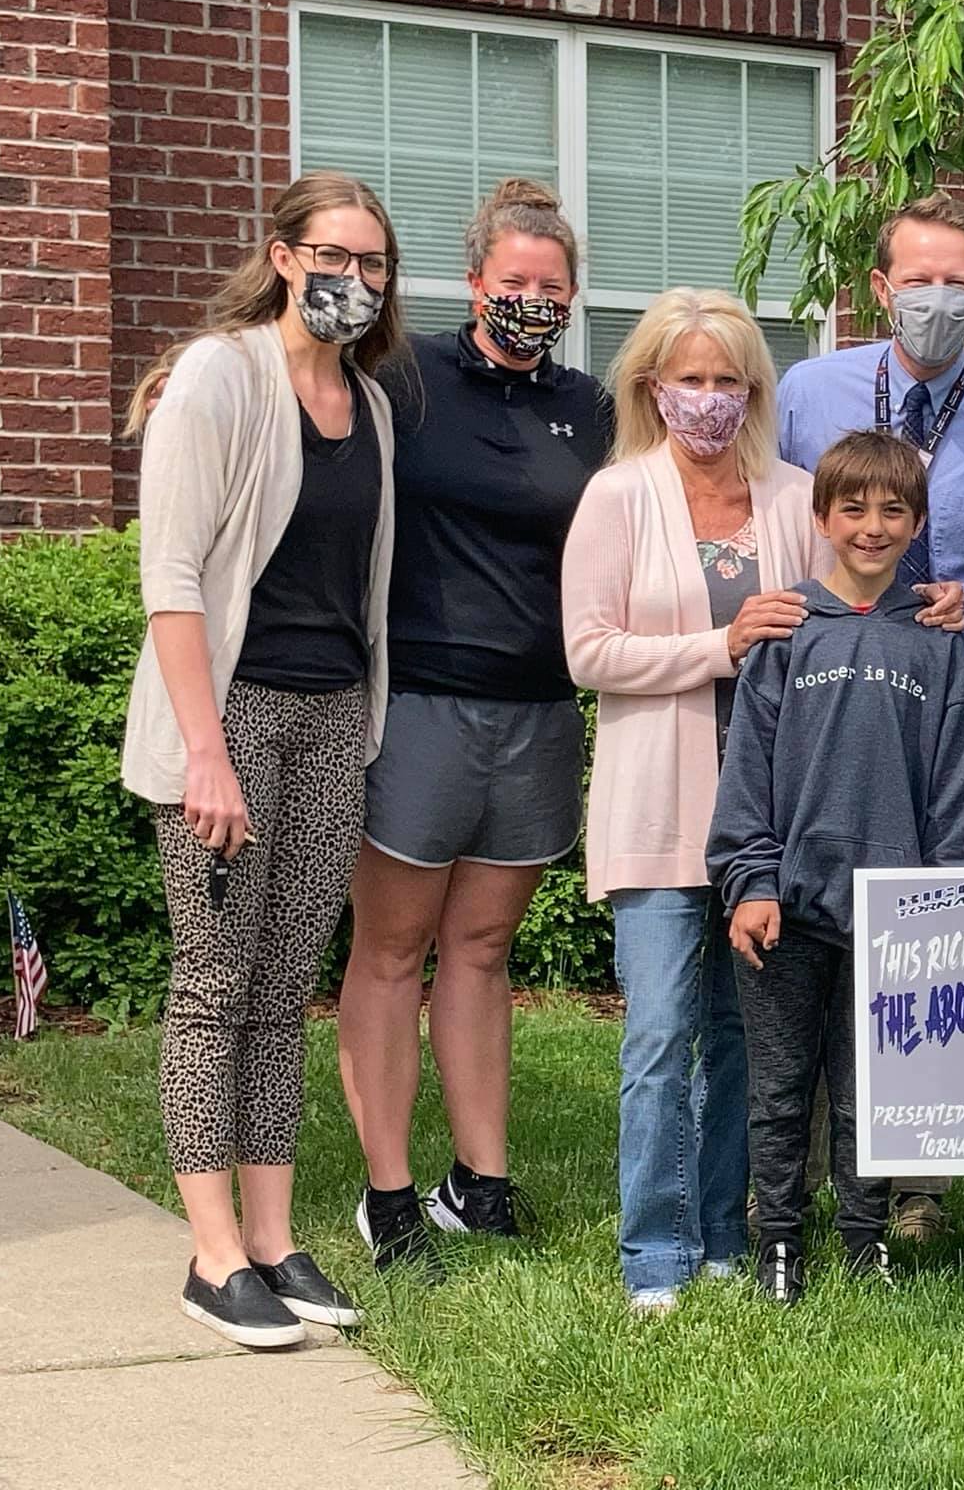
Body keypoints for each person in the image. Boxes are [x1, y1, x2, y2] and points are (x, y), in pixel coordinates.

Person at [560, 289, 963, 1315]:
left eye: (726, 380)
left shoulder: (793, 494)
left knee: (745, 1045)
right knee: (658, 1034)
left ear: (753, 391)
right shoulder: (617, 496)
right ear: (652, 386)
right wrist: (720, 645)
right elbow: (587, 650)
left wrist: (931, 603)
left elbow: (849, 594)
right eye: (688, 379)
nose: (706, 398)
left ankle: (727, 1235)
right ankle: (654, 1250)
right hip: (662, 801)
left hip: (779, 827)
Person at [120, 170, 403, 1347]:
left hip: (334, 714)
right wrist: (206, 756)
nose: (356, 279)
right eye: (335, 254)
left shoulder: (373, 407)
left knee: (285, 988)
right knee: (214, 986)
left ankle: (277, 1242)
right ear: (285, 256)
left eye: (376, 264)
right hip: (226, 716)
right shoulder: (218, 377)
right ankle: (212, 1252)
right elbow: (172, 580)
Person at [777, 189, 964, 1242]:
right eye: (918, 282)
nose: (937, 302)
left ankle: (916, 1184)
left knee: (930, 942)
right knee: (813, 933)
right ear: (877, 288)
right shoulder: (805, 395)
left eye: (958, 284)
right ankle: (805, 1169)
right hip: (824, 693)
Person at [337, 179, 610, 1272]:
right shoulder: (400, 376)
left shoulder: (588, 406)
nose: (532, 302)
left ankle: (478, 1183)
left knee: (483, 949)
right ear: (474, 284)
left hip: (539, 707)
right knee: (395, 947)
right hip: (417, 703)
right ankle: (388, 1194)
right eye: (514, 285)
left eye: (552, 288)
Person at [707, 430, 964, 1304]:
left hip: (896, 916)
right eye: (853, 509)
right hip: (786, 909)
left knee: (874, 1092)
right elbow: (745, 771)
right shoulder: (788, 630)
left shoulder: (936, 645)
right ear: (822, 516)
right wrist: (749, 882)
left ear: (918, 523)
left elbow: (957, 787)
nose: (872, 526)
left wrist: (945, 898)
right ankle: (779, 1241)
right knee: (782, 1088)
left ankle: (867, 1239)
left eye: (893, 510)